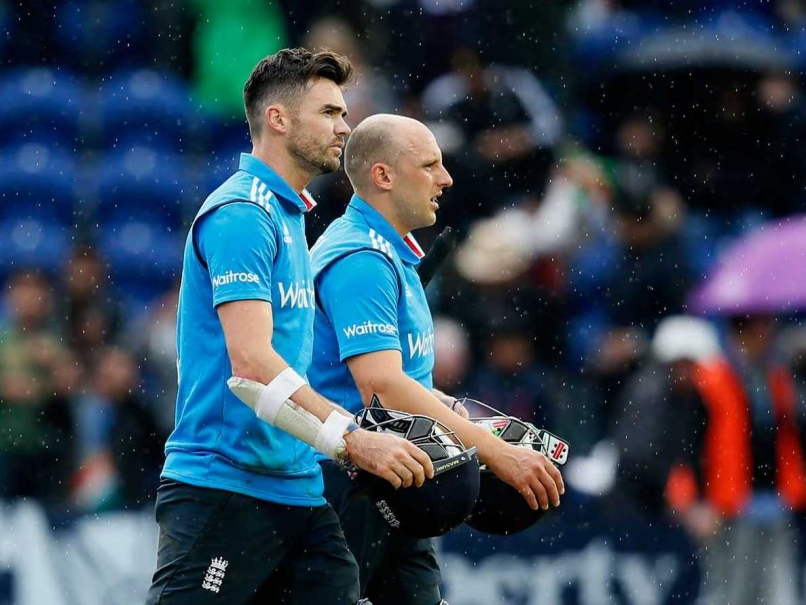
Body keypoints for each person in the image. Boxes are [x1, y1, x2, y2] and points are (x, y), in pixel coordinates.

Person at [146, 49, 433, 605]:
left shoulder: (290, 214)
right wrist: (352, 440)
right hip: (222, 486)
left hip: (297, 488)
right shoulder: (242, 214)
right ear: (278, 119)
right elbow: (251, 366)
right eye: (329, 112)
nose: (345, 127)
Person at [309, 114, 565, 604]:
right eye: (429, 166)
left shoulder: (389, 252)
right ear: (383, 176)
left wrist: (444, 409)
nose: (446, 179)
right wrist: (496, 452)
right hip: (350, 485)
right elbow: (381, 388)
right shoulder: (360, 258)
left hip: (399, 475)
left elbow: (393, 381)